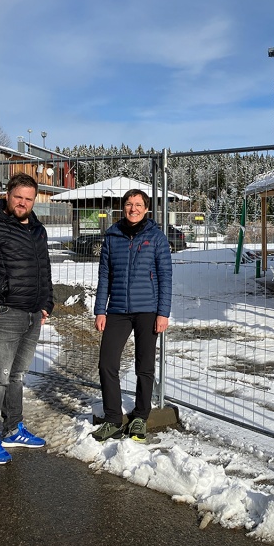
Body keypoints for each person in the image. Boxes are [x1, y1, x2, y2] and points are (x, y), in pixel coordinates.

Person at [0, 172, 54, 465]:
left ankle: (13, 428)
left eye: (29, 199)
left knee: (17, 376)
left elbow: (44, 269)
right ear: (8, 194)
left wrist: (46, 303)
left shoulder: (37, 229)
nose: (23, 203)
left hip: (31, 313)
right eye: (18, 197)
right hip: (3, 312)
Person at [91, 189, 172, 443]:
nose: (133, 208)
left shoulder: (156, 237)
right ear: (122, 207)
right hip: (117, 310)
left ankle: (140, 416)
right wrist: (100, 309)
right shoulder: (112, 236)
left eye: (138, 204)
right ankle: (113, 418)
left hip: (148, 309)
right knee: (107, 364)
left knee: (144, 366)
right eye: (129, 204)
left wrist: (163, 313)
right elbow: (105, 274)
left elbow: (165, 277)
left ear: (146, 209)